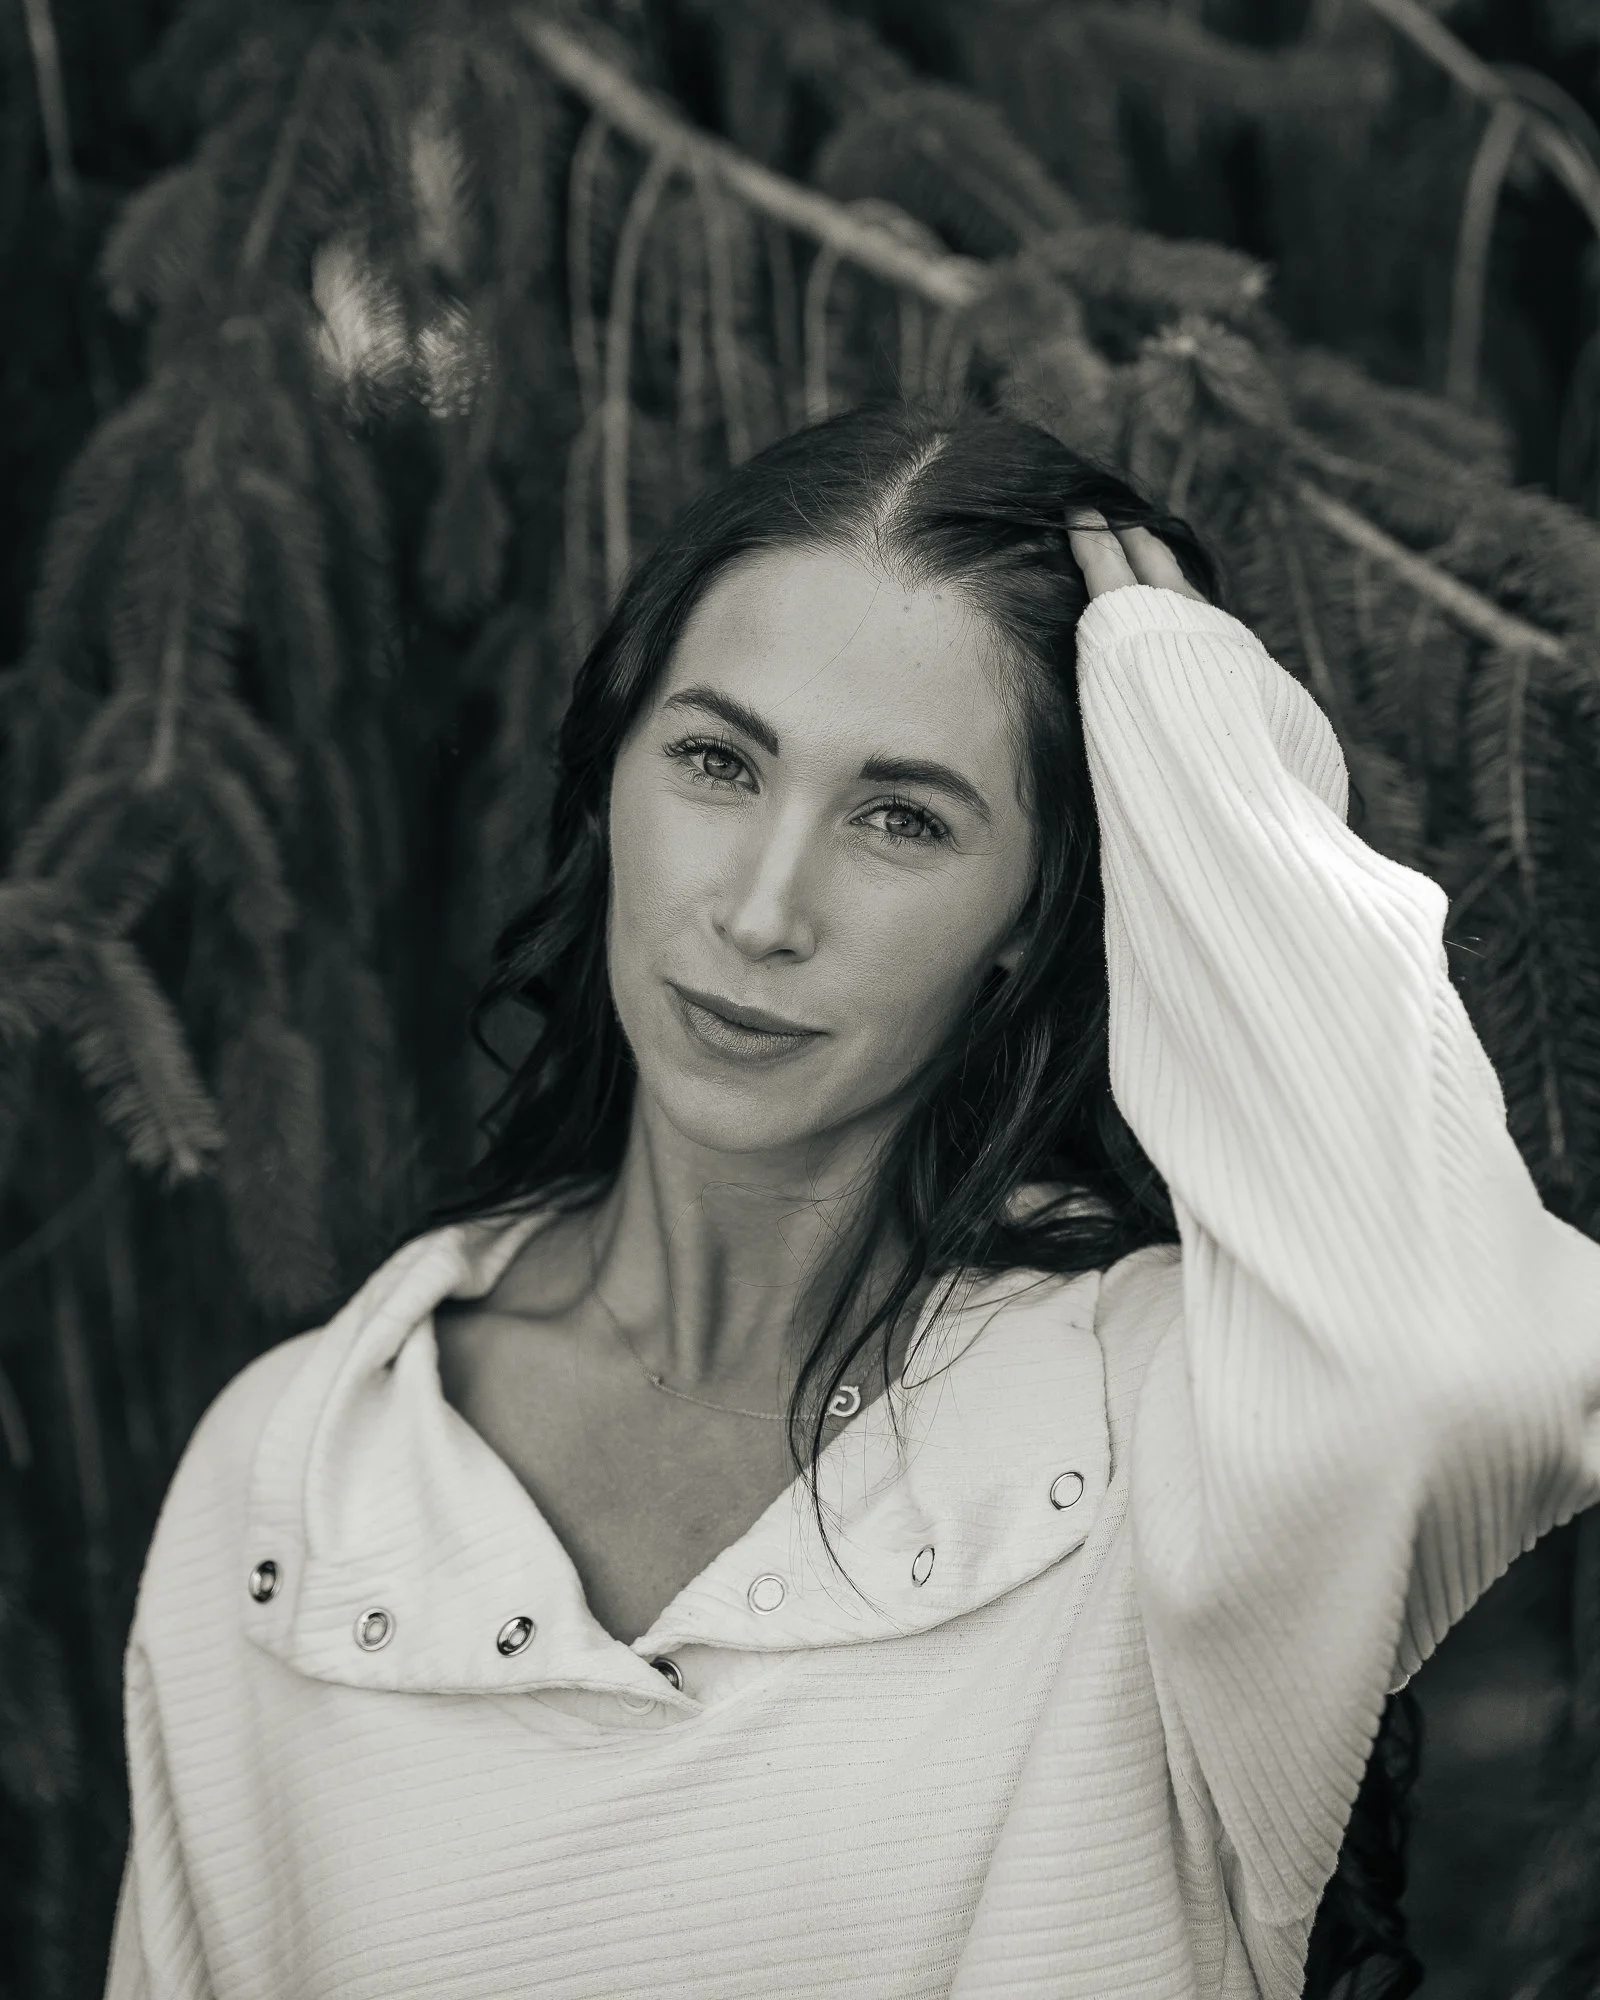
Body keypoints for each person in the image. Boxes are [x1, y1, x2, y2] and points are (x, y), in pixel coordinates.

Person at [104, 406, 1600, 2000]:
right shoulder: (307, 1464)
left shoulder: (1175, 1419)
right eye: (715, 761)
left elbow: (1486, 1360)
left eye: (903, 817)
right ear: (610, 782)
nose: (760, 909)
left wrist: (1200, 744)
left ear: (1037, 910)